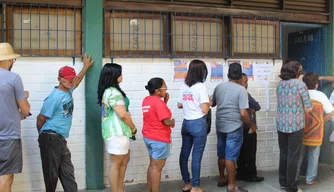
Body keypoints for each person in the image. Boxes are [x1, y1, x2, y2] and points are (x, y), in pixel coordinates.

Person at [36, 54, 94, 192]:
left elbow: (77, 80)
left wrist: (85, 67)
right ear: (59, 79)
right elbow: (40, 119)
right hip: (50, 137)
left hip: (60, 140)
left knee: (68, 174)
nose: (71, 82)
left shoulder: (69, 89)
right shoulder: (54, 97)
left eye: (71, 79)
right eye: (68, 79)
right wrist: (44, 136)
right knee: (51, 176)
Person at [212, 63, 255, 192]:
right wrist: (252, 125)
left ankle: (221, 178)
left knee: (222, 154)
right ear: (240, 76)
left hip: (220, 126)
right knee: (230, 156)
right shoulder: (241, 90)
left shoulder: (219, 87)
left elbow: (212, 103)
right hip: (234, 127)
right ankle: (232, 186)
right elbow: (243, 113)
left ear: (227, 75)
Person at [97, 63, 137, 192]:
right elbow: (123, 114)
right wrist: (133, 128)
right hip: (116, 132)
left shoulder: (111, 91)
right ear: (114, 75)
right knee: (116, 163)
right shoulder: (113, 92)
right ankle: (116, 190)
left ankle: (120, 189)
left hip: (120, 132)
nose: (122, 75)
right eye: (120, 73)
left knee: (124, 159)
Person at [276, 59, 312, 192]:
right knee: (293, 155)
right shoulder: (300, 85)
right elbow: (308, 107)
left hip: (281, 123)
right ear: (295, 72)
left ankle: (283, 182)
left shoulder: (280, 84)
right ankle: (291, 187)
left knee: (284, 153)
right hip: (296, 125)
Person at [0, 42, 30, 192]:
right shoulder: (13, 78)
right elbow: (25, 109)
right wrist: (25, 97)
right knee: (6, 176)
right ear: (10, 60)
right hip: (8, 137)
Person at [177, 59, 210, 192]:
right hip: (198, 123)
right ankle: (196, 186)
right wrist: (208, 100)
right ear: (202, 72)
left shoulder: (184, 85)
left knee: (184, 154)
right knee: (196, 156)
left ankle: (187, 183)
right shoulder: (201, 86)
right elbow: (205, 110)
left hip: (186, 123)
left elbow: (179, 104)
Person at [296, 73, 334, 186]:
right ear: (316, 85)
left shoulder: (300, 94)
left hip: (301, 129)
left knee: (299, 155)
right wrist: (320, 121)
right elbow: (331, 112)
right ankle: (310, 180)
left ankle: (295, 178)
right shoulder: (321, 95)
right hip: (316, 132)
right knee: (314, 155)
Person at [142, 77, 175, 192]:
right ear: (157, 91)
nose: (166, 90)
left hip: (149, 137)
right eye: (164, 88)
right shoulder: (158, 103)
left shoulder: (146, 100)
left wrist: (164, 102)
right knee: (157, 168)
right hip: (159, 139)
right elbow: (166, 121)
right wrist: (173, 122)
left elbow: (155, 114)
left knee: (152, 166)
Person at [236, 73, 264, 182]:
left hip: (237, 127)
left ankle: (241, 173)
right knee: (251, 152)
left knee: (241, 152)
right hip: (248, 127)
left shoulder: (233, 93)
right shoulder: (245, 94)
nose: (247, 84)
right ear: (240, 82)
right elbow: (257, 106)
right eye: (245, 81)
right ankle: (252, 174)